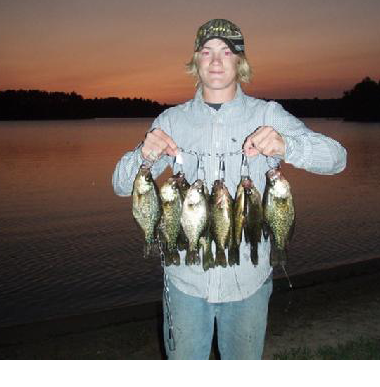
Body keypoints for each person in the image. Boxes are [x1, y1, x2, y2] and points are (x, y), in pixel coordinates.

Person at [112, 18, 346, 359]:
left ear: (241, 62)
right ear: (196, 62)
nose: (216, 60)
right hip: (184, 280)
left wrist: (287, 146)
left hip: (249, 280)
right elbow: (120, 185)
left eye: (226, 51)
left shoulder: (268, 114)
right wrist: (143, 157)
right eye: (206, 52)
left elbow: (337, 159)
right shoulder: (171, 121)